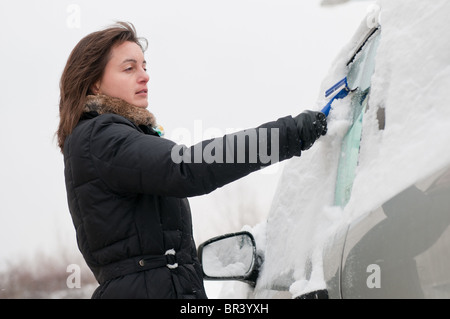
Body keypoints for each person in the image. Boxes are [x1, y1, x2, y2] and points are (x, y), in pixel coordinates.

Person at [57, 21, 327, 299]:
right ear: (95, 83)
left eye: (144, 66)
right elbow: (186, 168)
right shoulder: (100, 137)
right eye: (129, 68)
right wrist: (290, 135)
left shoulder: (105, 138)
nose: (144, 76)